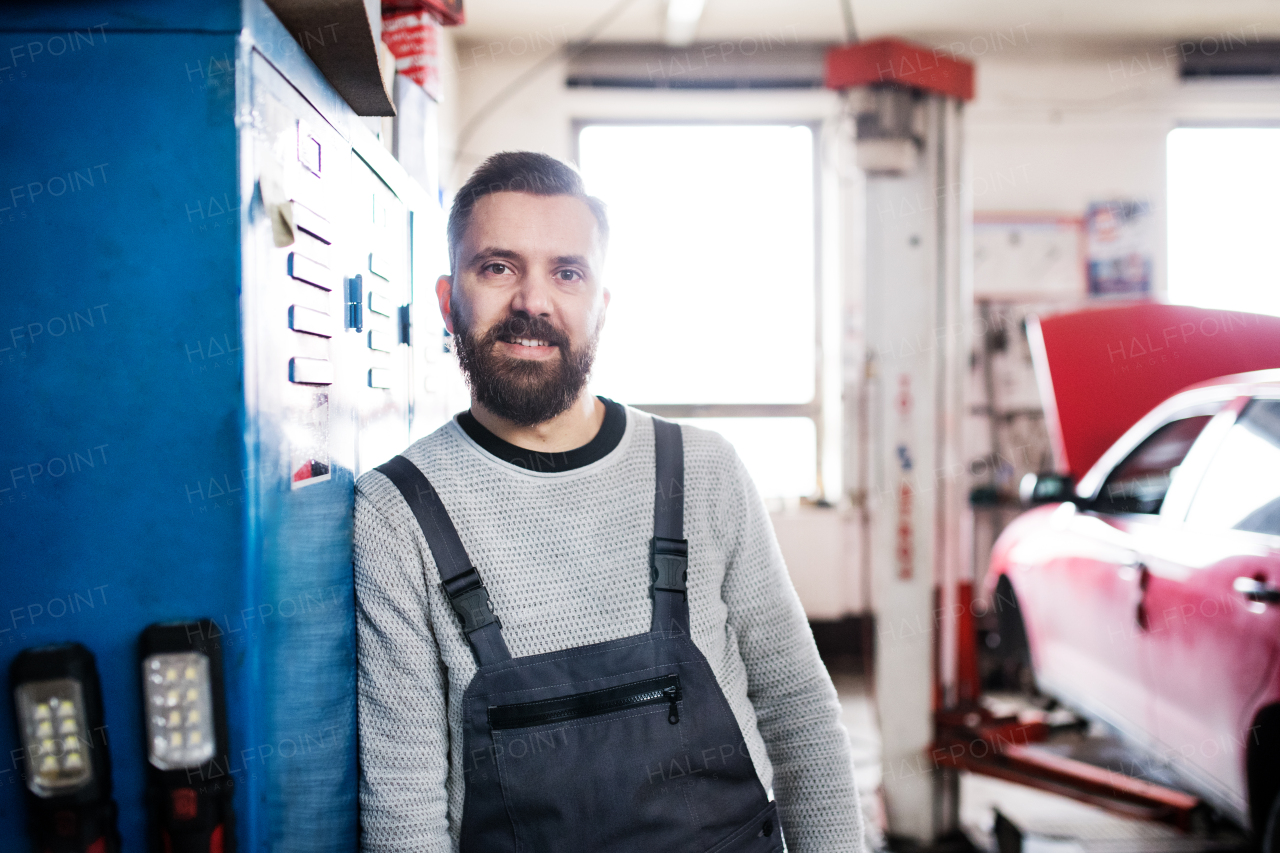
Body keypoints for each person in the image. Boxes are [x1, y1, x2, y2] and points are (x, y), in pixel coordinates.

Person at [353, 151, 863, 852]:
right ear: (448, 301)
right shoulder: (395, 512)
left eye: (567, 271)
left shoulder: (703, 472)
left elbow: (799, 710)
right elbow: (403, 805)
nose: (533, 301)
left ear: (602, 304)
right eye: (498, 267)